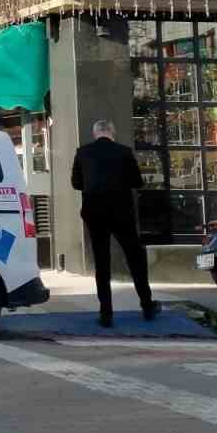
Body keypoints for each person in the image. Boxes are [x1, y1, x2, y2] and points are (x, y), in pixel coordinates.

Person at [70, 119, 159, 327]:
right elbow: (137, 181)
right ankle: (147, 305)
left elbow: (76, 183)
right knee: (135, 257)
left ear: (95, 134)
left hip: (95, 212)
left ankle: (106, 313)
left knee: (102, 263)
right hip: (121, 212)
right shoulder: (124, 152)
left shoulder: (83, 153)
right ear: (112, 132)